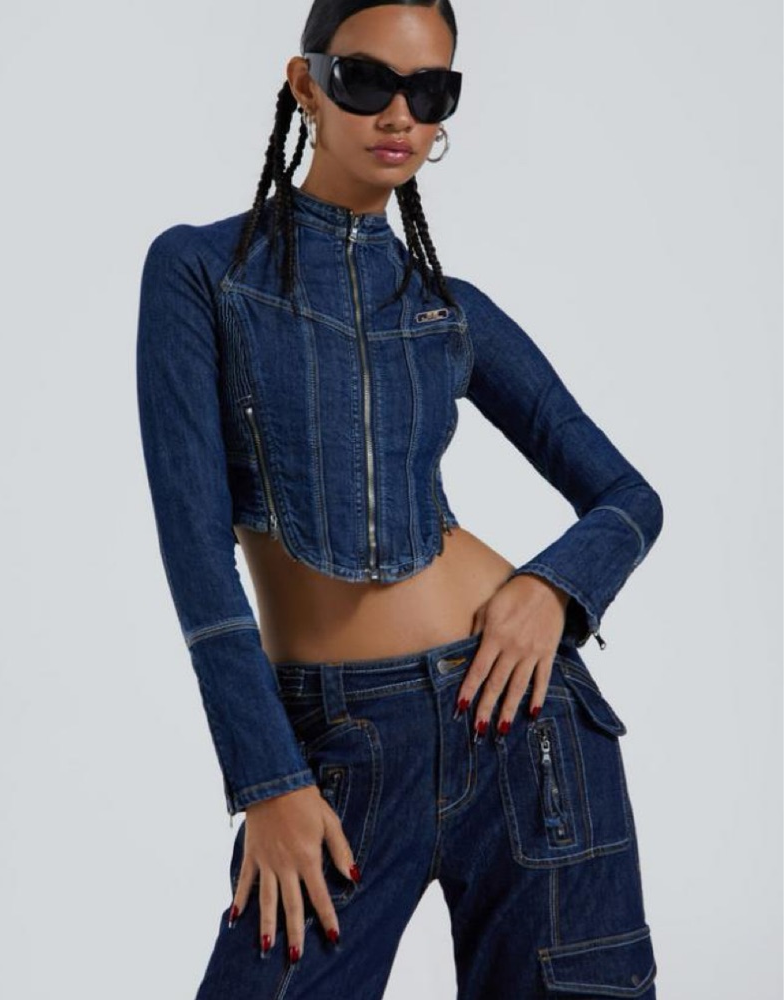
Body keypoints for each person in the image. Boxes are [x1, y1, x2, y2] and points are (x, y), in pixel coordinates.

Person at [135, 1, 663, 997]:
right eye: (366, 79)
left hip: (526, 727)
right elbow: (196, 553)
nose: (397, 115)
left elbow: (628, 498)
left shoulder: (447, 311)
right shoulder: (202, 273)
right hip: (335, 746)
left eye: (429, 92)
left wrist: (553, 590)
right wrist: (269, 780)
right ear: (305, 84)